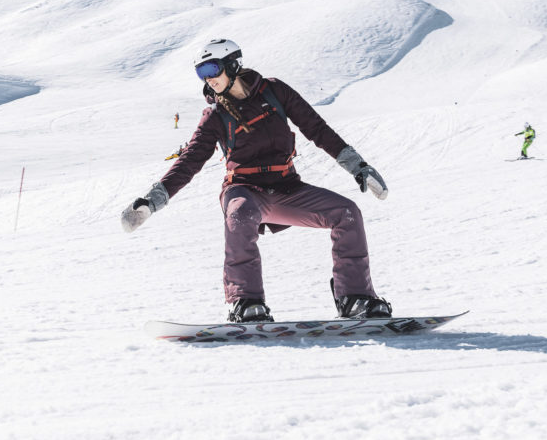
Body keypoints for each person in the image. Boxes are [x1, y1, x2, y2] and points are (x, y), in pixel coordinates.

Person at [121, 38, 391, 322]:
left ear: (232, 64)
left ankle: (355, 298)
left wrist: (358, 167)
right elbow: (190, 160)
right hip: (244, 189)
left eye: (212, 69)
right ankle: (245, 302)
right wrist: (153, 201)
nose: (208, 79)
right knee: (241, 214)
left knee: (346, 213)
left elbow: (317, 128)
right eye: (201, 73)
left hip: (287, 188)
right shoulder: (215, 115)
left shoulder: (274, 91)